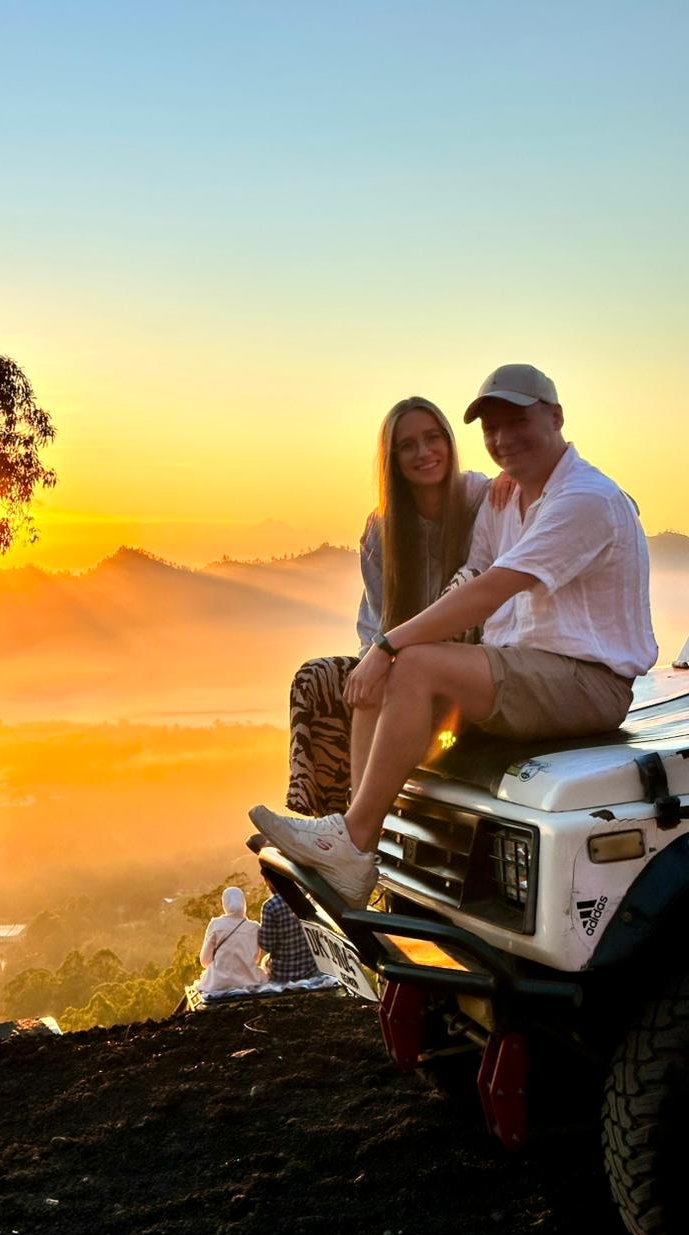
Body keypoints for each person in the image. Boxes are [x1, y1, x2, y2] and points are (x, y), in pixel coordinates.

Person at [252, 364, 657, 908]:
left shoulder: (583, 498)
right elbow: (475, 572)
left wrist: (390, 643)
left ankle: (351, 839)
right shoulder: (503, 500)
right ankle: (351, 842)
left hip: (588, 683)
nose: (502, 438)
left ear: (557, 417)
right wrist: (385, 652)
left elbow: (491, 590)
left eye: (518, 421)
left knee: (409, 662)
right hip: (524, 668)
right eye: (491, 428)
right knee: (388, 670)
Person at [288, 395, 497, 817]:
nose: (424, 453)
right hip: (397, 665)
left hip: (465, 674)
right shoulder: (382, 528)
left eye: (432, 438)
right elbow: (375, 624)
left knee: (450, 602)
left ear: (449, 441)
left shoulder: (483, 498)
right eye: (408, 445)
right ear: (392, 458)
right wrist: (375, 668)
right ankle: (326, 827)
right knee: (316, 679)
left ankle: (355, 831)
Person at [197, 886, 266, 994]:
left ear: (225, 904)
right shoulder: (255, 927)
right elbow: (256, 959)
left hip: (218, 983)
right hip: (250, 980)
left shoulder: (216, 924)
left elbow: (205, 961)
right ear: (243, 903)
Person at [257, 889, 318, 984]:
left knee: (265, 963)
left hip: (283, 973)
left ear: (270, 881)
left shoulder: (270, 906)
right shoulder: (307, 896)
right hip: (310, 968)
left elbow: (267, 945)